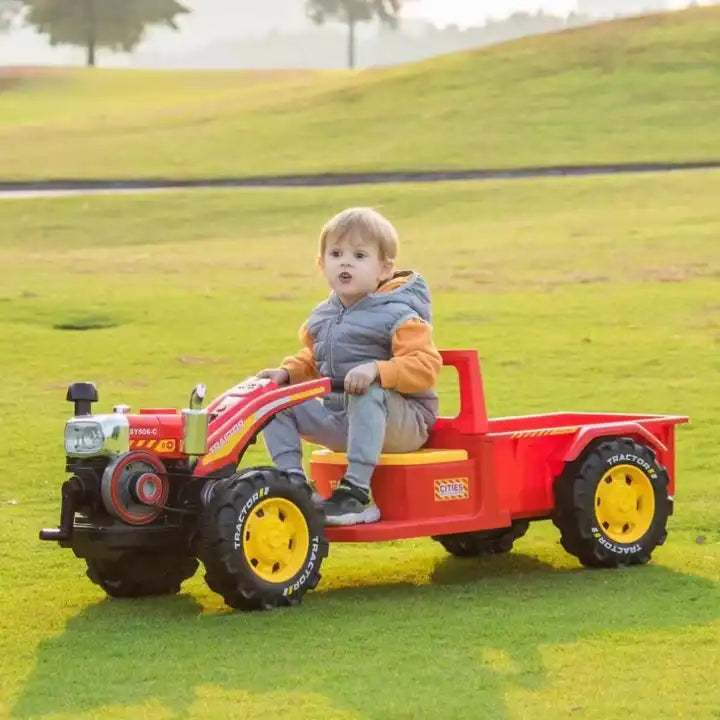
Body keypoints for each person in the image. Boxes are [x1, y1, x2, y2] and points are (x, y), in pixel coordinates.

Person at [257, 207, 442, 526]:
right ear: (321, 264)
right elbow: (315, 359)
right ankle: (294, 484)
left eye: (359, 255)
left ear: (384, 268)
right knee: (272, 400)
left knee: (367, 390)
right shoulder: (323, 316)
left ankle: (355, 494)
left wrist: (376, 369)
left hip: (402, 423)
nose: (345, 262)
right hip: (343, 418)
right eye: (336, 253)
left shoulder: (400, 314)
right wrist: (286, 373)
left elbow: (425, 366)